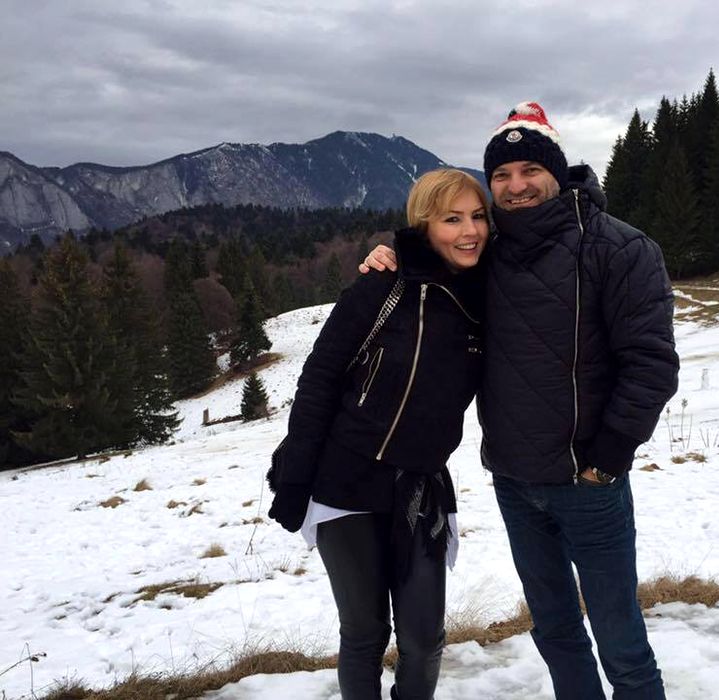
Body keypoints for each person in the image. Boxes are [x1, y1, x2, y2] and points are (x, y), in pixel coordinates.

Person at [361, 102, 679, 699]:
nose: (516, 185)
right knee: (555, 630)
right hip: (513, 479)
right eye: (502, 175)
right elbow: (438, 259)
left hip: (589, 482)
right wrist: (394, 256)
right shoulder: (492, 250)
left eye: (530, 169)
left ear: (556, 171)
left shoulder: (620, 248)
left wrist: (607, 458)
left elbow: (652, 365)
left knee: (621, 641)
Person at [268, 168, 489, 700]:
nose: (470, 231)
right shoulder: (383, 285)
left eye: (478, 216)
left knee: (425, 638)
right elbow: (320, 377)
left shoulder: (489, 295)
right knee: (365, 633)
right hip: (346, 481)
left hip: (420, 486)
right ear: (423, 224)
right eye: (452, 219)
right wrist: (295, 475)